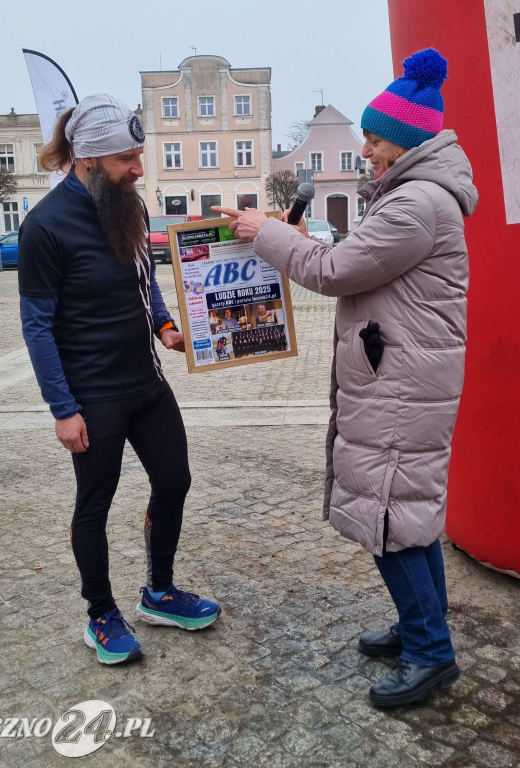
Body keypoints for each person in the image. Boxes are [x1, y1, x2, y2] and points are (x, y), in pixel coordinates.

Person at [213, 49, 478, 707]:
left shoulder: (416, 202)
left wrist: (268, 233)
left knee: (388, 518)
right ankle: (422, 627)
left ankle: (429, 653)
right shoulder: (418, 195)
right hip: (400, 374)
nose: (365, 149)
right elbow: (355, 260)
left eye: (374, 138)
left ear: (408, 139)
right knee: (408, 516)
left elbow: (333, 272)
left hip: (400, 384)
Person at [18, 94, 221, 666]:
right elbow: (36, 327)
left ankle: (159, 592)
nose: (138, 169)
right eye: (126, 159)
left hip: (147, 385)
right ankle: (100, 613)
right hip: (91, 397)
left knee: (175, 481)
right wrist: (62, 408)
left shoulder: (128, 206)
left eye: (139, 155)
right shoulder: (44, 227)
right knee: (95, 505)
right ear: (87, 160)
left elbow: (144, 273)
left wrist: (164, 323)